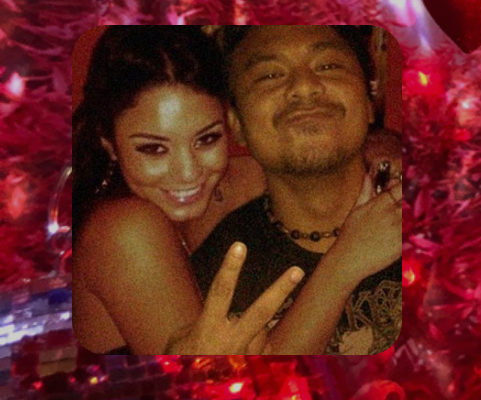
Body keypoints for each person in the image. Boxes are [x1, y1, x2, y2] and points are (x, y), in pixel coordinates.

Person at [69, 26, 399, 355]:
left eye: (206, 139)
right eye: (153, 149)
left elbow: (302, 151)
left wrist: (381, 145)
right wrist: (345, 262)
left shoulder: (225, 187)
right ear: (108, 144)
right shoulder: (126, 230)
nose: (188, 173)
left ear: (229, 126)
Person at [188, 25, 404, 354]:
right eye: (270, 75)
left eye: (328, 66)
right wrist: (344, 263)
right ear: (237, 126)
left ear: (368, 102)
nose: (304, 86)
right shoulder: (214, 279)